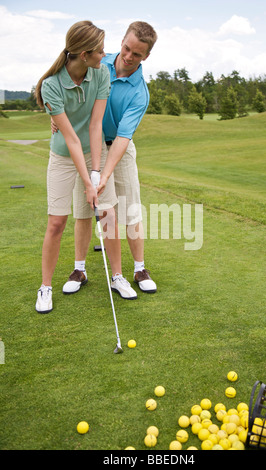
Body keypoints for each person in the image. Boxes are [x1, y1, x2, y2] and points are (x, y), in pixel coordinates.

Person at [62, 21, 158, 299]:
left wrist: (104, 175)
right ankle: (79, 269)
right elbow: (63, 86)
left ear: (146, 57)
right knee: (83, 210)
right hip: (87, 147)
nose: (128, 57)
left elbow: (122, 139)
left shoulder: (140, 91)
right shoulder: (95, 59)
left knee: (130, 210)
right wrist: (55, 117)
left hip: (119, 147)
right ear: (122, 42)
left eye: (137, 54)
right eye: (127, 48)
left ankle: (139, 270)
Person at [34, 20, 118, 313]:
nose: (105, 55)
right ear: (84, 54)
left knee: (106, 210)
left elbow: (96, 125)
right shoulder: (51, 85)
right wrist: (86, 182)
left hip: (92, 152)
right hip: (62, 157)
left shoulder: (102, 72)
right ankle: (45, 287)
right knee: (57, 222)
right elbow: (69, 138)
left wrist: (96, 173)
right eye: (100, 51)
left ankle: (114, 275)